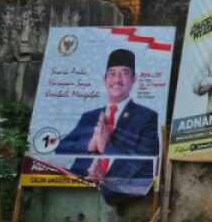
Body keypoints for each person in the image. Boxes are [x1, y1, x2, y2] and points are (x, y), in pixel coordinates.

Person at [55, 48, 160, 205]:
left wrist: (106, 147)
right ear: (104, 81)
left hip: (115, 191)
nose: (117, 79)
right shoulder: (90, 116)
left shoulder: (146, 116)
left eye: (124, 73)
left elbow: (147, 159)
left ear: (133, 79)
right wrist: (90, 144)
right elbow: (61, 147)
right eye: (112, 73)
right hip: (79, 184)